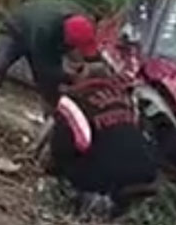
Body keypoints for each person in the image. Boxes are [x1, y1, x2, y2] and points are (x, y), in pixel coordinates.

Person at [43, 49, 159, 219]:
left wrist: (52, 167)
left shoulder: (75, 100)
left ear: (78, 72)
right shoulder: (123, 97)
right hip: (147, 171)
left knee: (68, 166)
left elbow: (68, 146)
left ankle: (84, 202)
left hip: (108, 178)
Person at [0, 0, 98, 124]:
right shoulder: (45, 31)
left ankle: (51, 130)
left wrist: (86, 67)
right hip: (18, 31)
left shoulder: (84, 20)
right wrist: (71, 77)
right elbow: (45, 70)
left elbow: (88, 54)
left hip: (47, 34)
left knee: (52, 88)